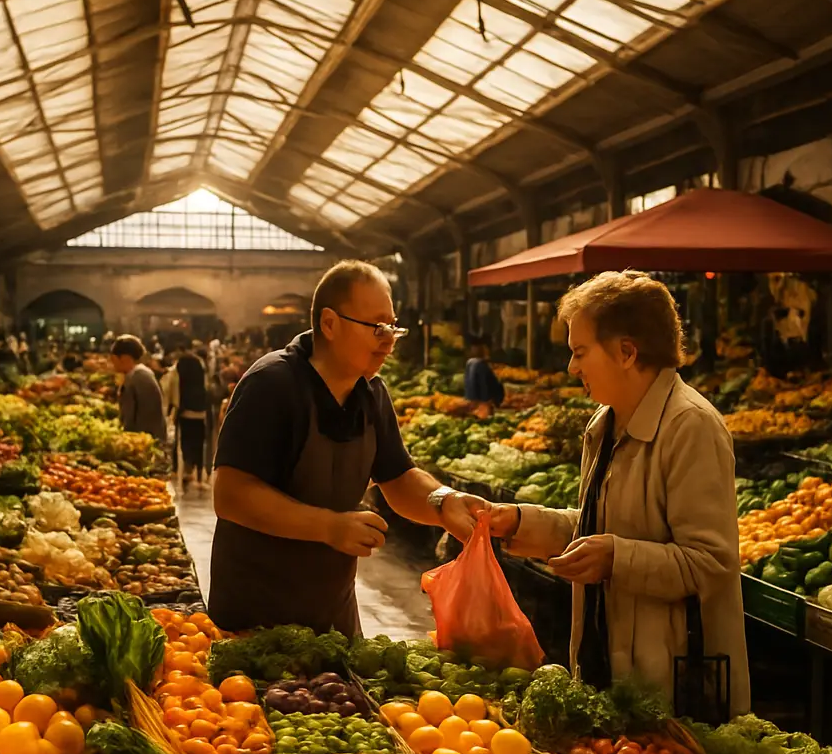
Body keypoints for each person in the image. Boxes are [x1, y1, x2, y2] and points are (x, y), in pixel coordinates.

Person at [463, 270, 749, 713]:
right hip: (612, 668)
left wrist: (615, 558)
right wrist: (522, 521)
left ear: (627, 352)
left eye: (580, 352)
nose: (572, 367)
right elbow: (602, 528)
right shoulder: (607, 423)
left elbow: (712, 564)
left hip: (673, 689)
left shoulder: (691, 426)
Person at [210, 260, 486, 636]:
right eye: (376, 327)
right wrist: (329, 526)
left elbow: (398, 476)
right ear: (329, 323)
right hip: (256, 616)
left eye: (392, 327)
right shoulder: (271, 384)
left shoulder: (371, 392)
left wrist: (443, 500)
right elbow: (231, 494)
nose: (388, 339)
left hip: (333, 613)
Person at [111, 335, 168, 444]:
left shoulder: (136, 377)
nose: (112, 364)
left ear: (124, 358)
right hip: (151, 438)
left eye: (114, 359)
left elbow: (129, 419)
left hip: (147, 441)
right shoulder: (141, 373)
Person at [174, 344, 209, 485]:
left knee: (186, 441)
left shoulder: (182, 380)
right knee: (199, 442)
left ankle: (188, 469)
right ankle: (200, 472)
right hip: (200, 412)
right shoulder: (200, 379)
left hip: (185, 411)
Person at [463, 336, 505, 417]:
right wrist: (486, 402)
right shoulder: (480, 365)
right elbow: (484, 386)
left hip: (472, 403)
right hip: (481, 405)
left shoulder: (470, 363)